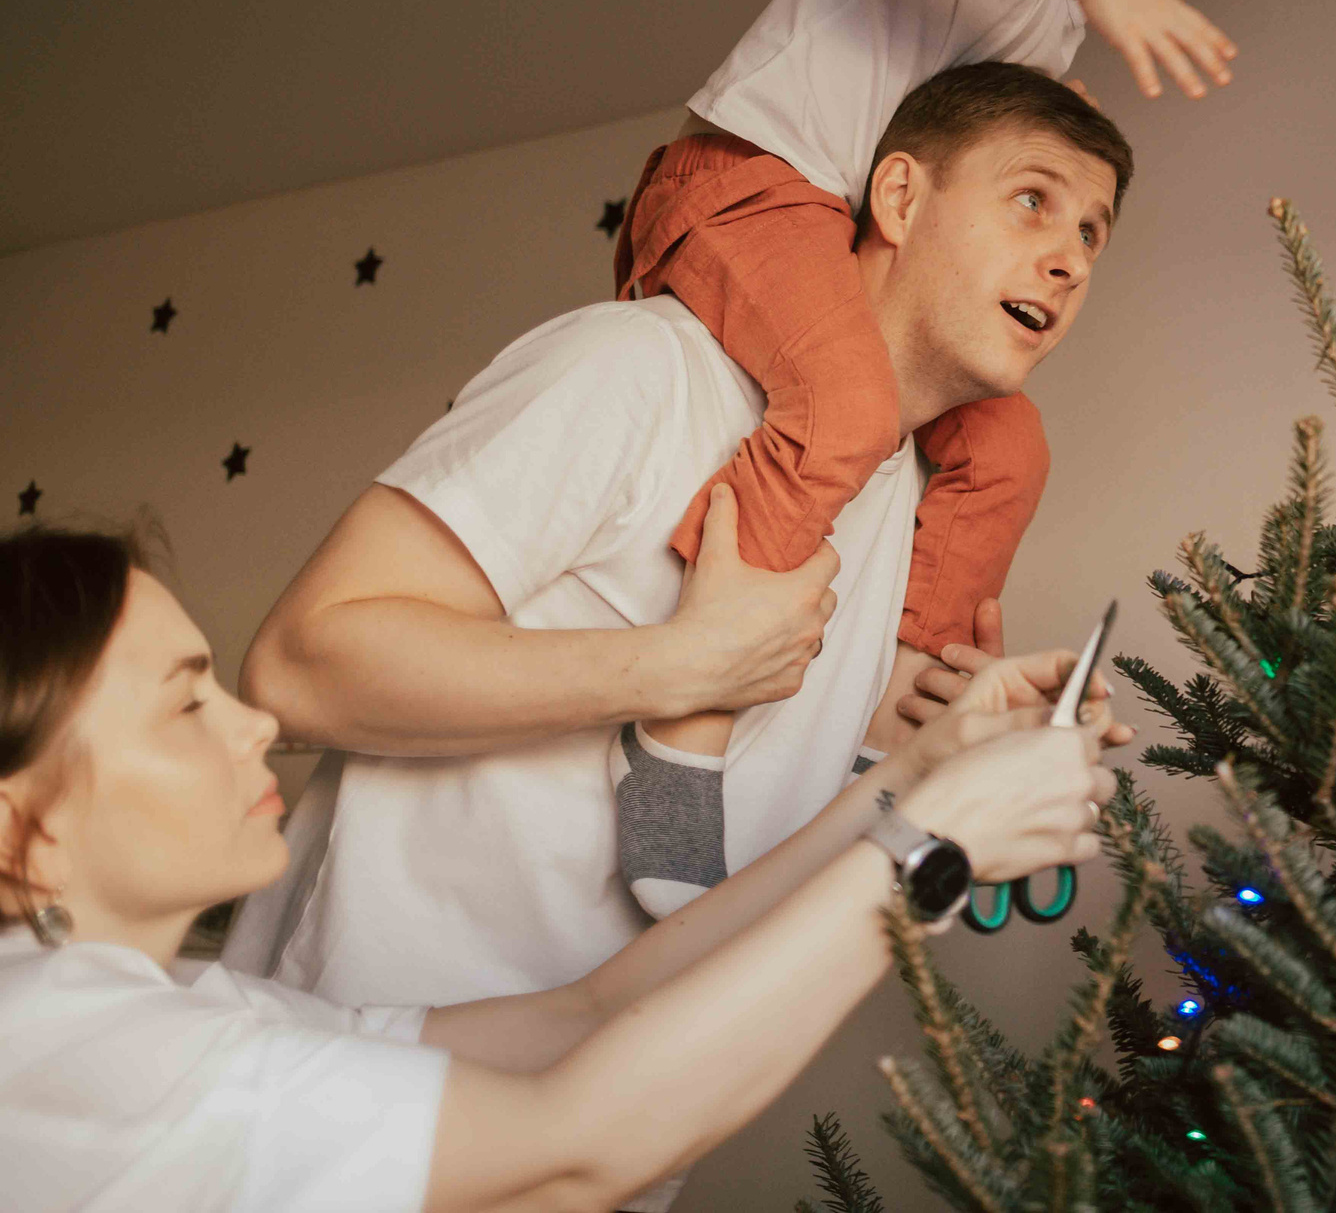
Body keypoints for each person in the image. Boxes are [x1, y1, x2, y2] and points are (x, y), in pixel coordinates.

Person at [228, 66, 1132, 1208]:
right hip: (360, 1093)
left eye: (1094, 234)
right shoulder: (639, 369)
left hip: (617, 1134)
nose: (1071, 258)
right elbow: (304, 662)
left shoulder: (906, 502)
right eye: (1034, 201)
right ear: (898, 198)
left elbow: (746, 859)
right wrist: (678, 665)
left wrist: (927, 768)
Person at [609, 0, 1293, 915]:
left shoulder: (1045, 20)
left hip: (847, 237)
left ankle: (894, 714)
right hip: (744, 187)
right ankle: (683, 730)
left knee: (1007, 444)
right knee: (844, 400)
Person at [0, 520, 1120, 1213]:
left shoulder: (163, 1008)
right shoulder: (65, 1050)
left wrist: (920, 776)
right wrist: (931, 849)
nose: (250, 724)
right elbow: (576, 1148)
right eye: (183, 703)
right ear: (21, 829)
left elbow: (582, 1018)